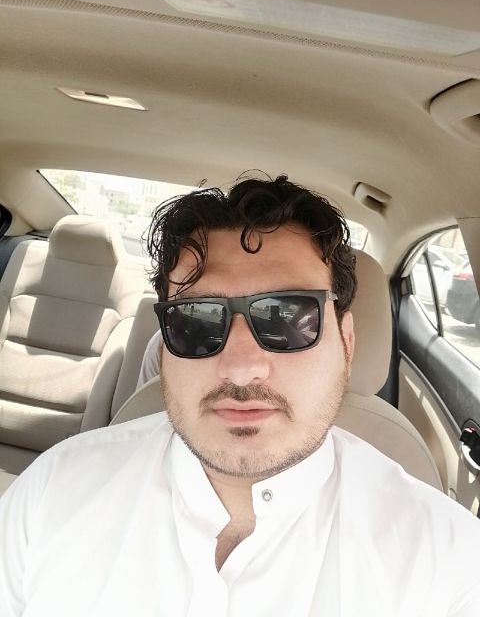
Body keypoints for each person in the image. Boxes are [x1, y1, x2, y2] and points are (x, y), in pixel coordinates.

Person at [0, 174, 479, 616]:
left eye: (289, 317)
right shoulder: (52, 494)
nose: (241, 366)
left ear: (347, 344)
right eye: (197, 320)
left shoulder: (447, 562)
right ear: (164, 347)